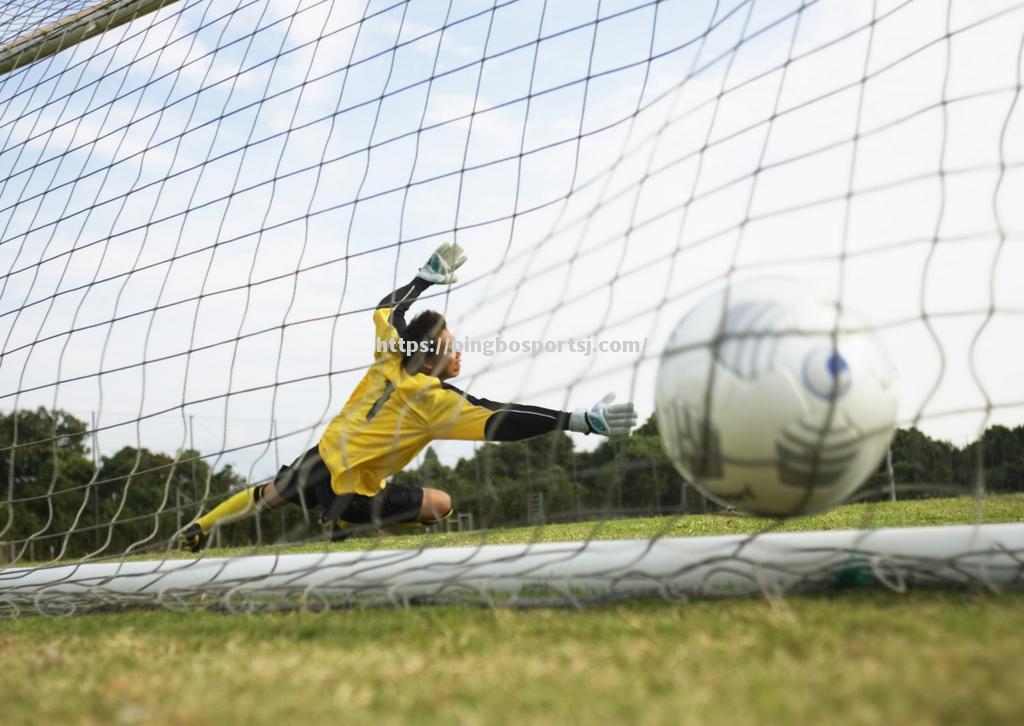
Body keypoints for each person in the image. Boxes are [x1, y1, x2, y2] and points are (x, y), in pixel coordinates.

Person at [178, 243, 637, 551]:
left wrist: (422, 281)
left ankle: (200, 527)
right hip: (352, 493)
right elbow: (502, 419)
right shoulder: (433, 401)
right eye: (451, 348)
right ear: (433, 358)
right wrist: (578, 420)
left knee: (270, 493)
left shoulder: (390, 351)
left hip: (320, 461)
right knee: (441, 504)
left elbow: (387, 309)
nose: (458, 353)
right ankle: (348, 523)